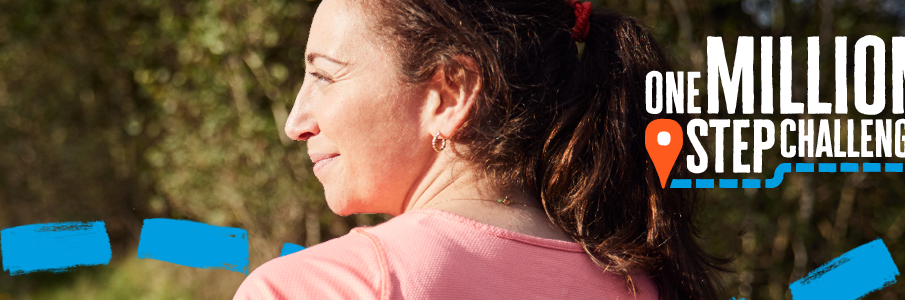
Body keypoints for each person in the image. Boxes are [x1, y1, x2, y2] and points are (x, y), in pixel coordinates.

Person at [234, 0, 721, 299]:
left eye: (323, 75)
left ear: (449, 93)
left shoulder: (315, 290)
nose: (295, 123)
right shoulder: (645, 287)